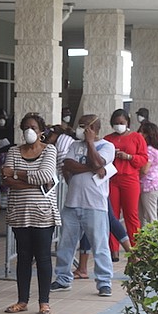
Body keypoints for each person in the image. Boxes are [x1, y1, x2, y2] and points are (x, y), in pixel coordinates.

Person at [50, 115, 115, 297]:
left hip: (95, 205)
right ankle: (63, 278)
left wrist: (90, 144)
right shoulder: (74, 145)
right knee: (66, 244)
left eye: (83, 127)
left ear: (93, 128)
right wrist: (91, 167)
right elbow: (68, 164)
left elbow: (99, 162)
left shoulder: (107, 146)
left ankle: (104, 282)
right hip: (72, 203)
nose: (79, 129)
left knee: (100, 244)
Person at [2, 113, 60, 314]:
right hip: (20, 212)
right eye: (26, 127)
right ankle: (22, 300)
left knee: (43, 257)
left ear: (41, 131)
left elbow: (46, 176)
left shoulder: (49, 150)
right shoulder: (14, 151)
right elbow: (5, 177)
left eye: (33, 127)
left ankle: (44, 302)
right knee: (23, 257)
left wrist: (17, 174)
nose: (29, 131)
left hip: (43, 213)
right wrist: (31, 181)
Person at [104, 109, 148, 261]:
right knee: (112, 215)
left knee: (131, 215)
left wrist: (129, 157)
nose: (118, 126)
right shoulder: (107, 139)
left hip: (130, 178)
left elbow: (143, 159)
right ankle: (113, 249)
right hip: (112, 179)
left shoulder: (137, 138)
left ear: (127, 122)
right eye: (116, 123)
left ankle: (135, 249)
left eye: (121, 123)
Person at [137, 121, 158, 225]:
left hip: (149, 186)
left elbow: (144, 170)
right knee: (141, 216)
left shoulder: (149, 150)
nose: (140, 135)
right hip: (147, 186)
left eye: (143, 133)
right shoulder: (153, 149)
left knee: (151, 217)